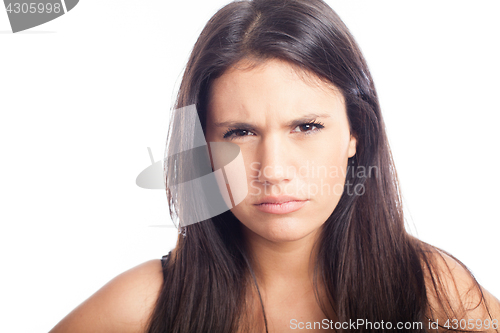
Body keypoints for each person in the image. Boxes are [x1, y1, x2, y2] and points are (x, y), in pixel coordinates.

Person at [49, 0, 500, 332]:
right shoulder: (142, 307)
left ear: (355, 133)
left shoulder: (434, 290)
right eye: (240, 133)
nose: (275, 169)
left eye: (305, 126)